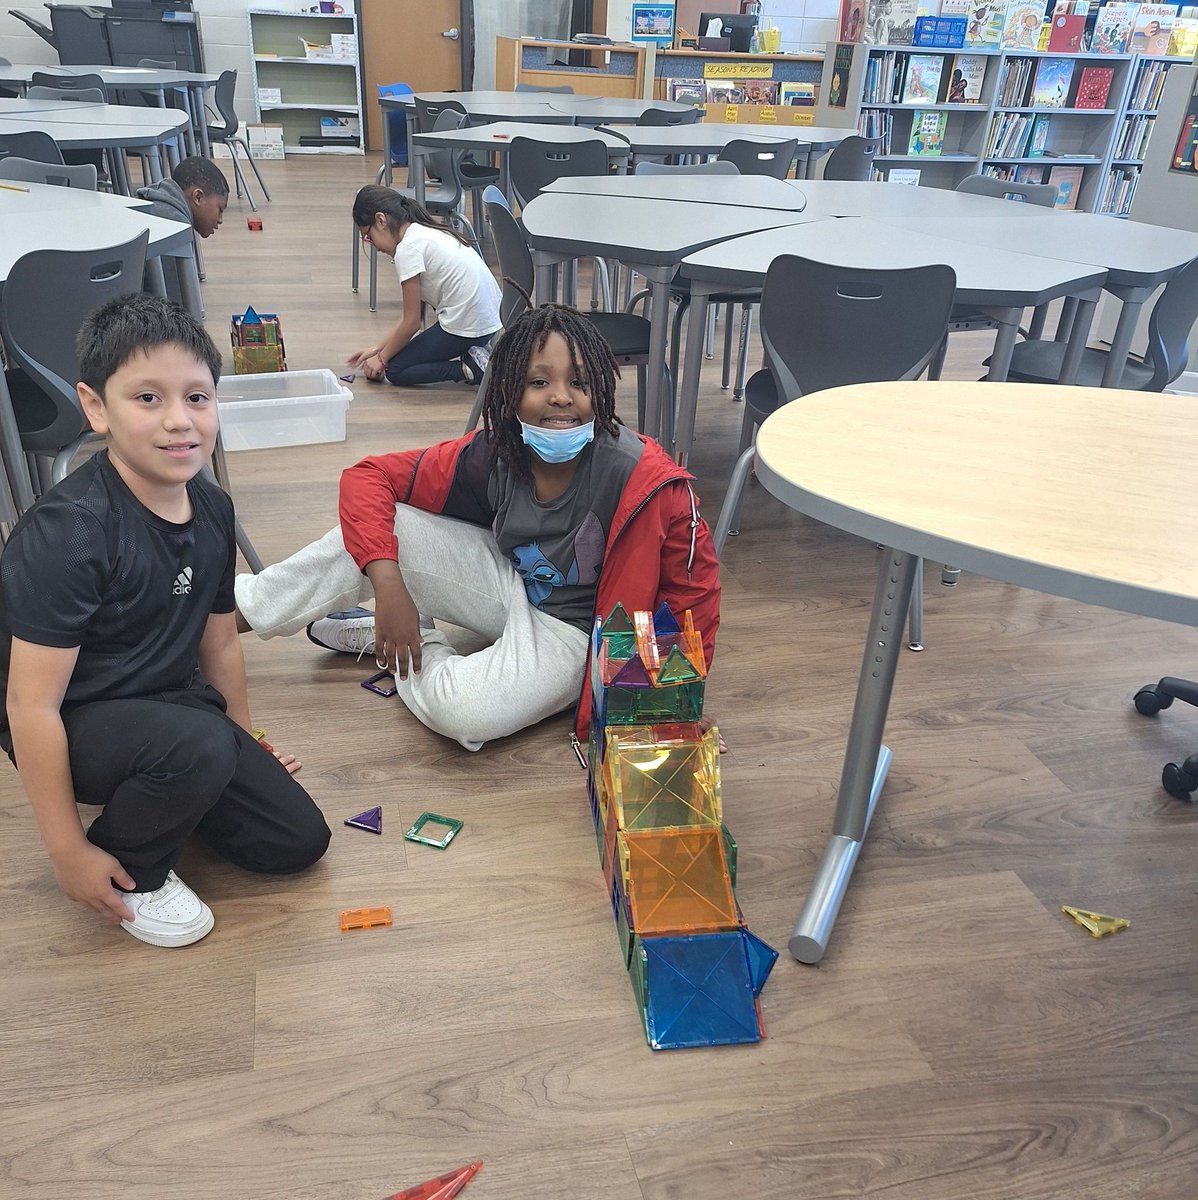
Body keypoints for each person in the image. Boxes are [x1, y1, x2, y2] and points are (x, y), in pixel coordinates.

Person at [236, 303, 721, 753]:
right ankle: (223, 614)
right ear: (508, 392)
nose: (560, 398)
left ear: (602, 390)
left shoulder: (645, 479)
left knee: (464, 714)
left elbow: (692, 591)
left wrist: (674, 705)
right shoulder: (495, 451)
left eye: (579, 382)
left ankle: (401, 639)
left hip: (575, 629)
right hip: (508, 580)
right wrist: (388, 585)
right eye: (538, 383)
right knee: (375, 534)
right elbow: (369, 478)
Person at [0, 294, 330, 948]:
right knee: (196, 749)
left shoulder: (211, 508)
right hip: (78, 714)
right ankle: (133, 865)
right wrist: (68, 851)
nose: (179, 421)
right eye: (147, 399)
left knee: (297, 841)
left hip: (169, 701)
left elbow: (219, 642)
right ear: (96, 407)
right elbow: (30, 705)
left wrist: (242, 740)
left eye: (197, 398)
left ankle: (180, 782)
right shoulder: (69, 533)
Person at [348, 185, 502, 389]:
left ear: (381, 220)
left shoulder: (407, 250)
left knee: (396, 370)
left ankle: (471, 369)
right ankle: (477, 352)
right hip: (490, 320)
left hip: (468, 326)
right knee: (399, 357)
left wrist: (382, 359)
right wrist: (378, 349)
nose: (372, 245)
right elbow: (410, 318)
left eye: (368, 236)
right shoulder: (422, 231)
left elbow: (411, 323)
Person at [135, 155, 229, 302]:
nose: (220, 220)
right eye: (220, 209)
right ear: (198, 197)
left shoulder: (155, 203)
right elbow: (175, 302)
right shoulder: (175, 226)